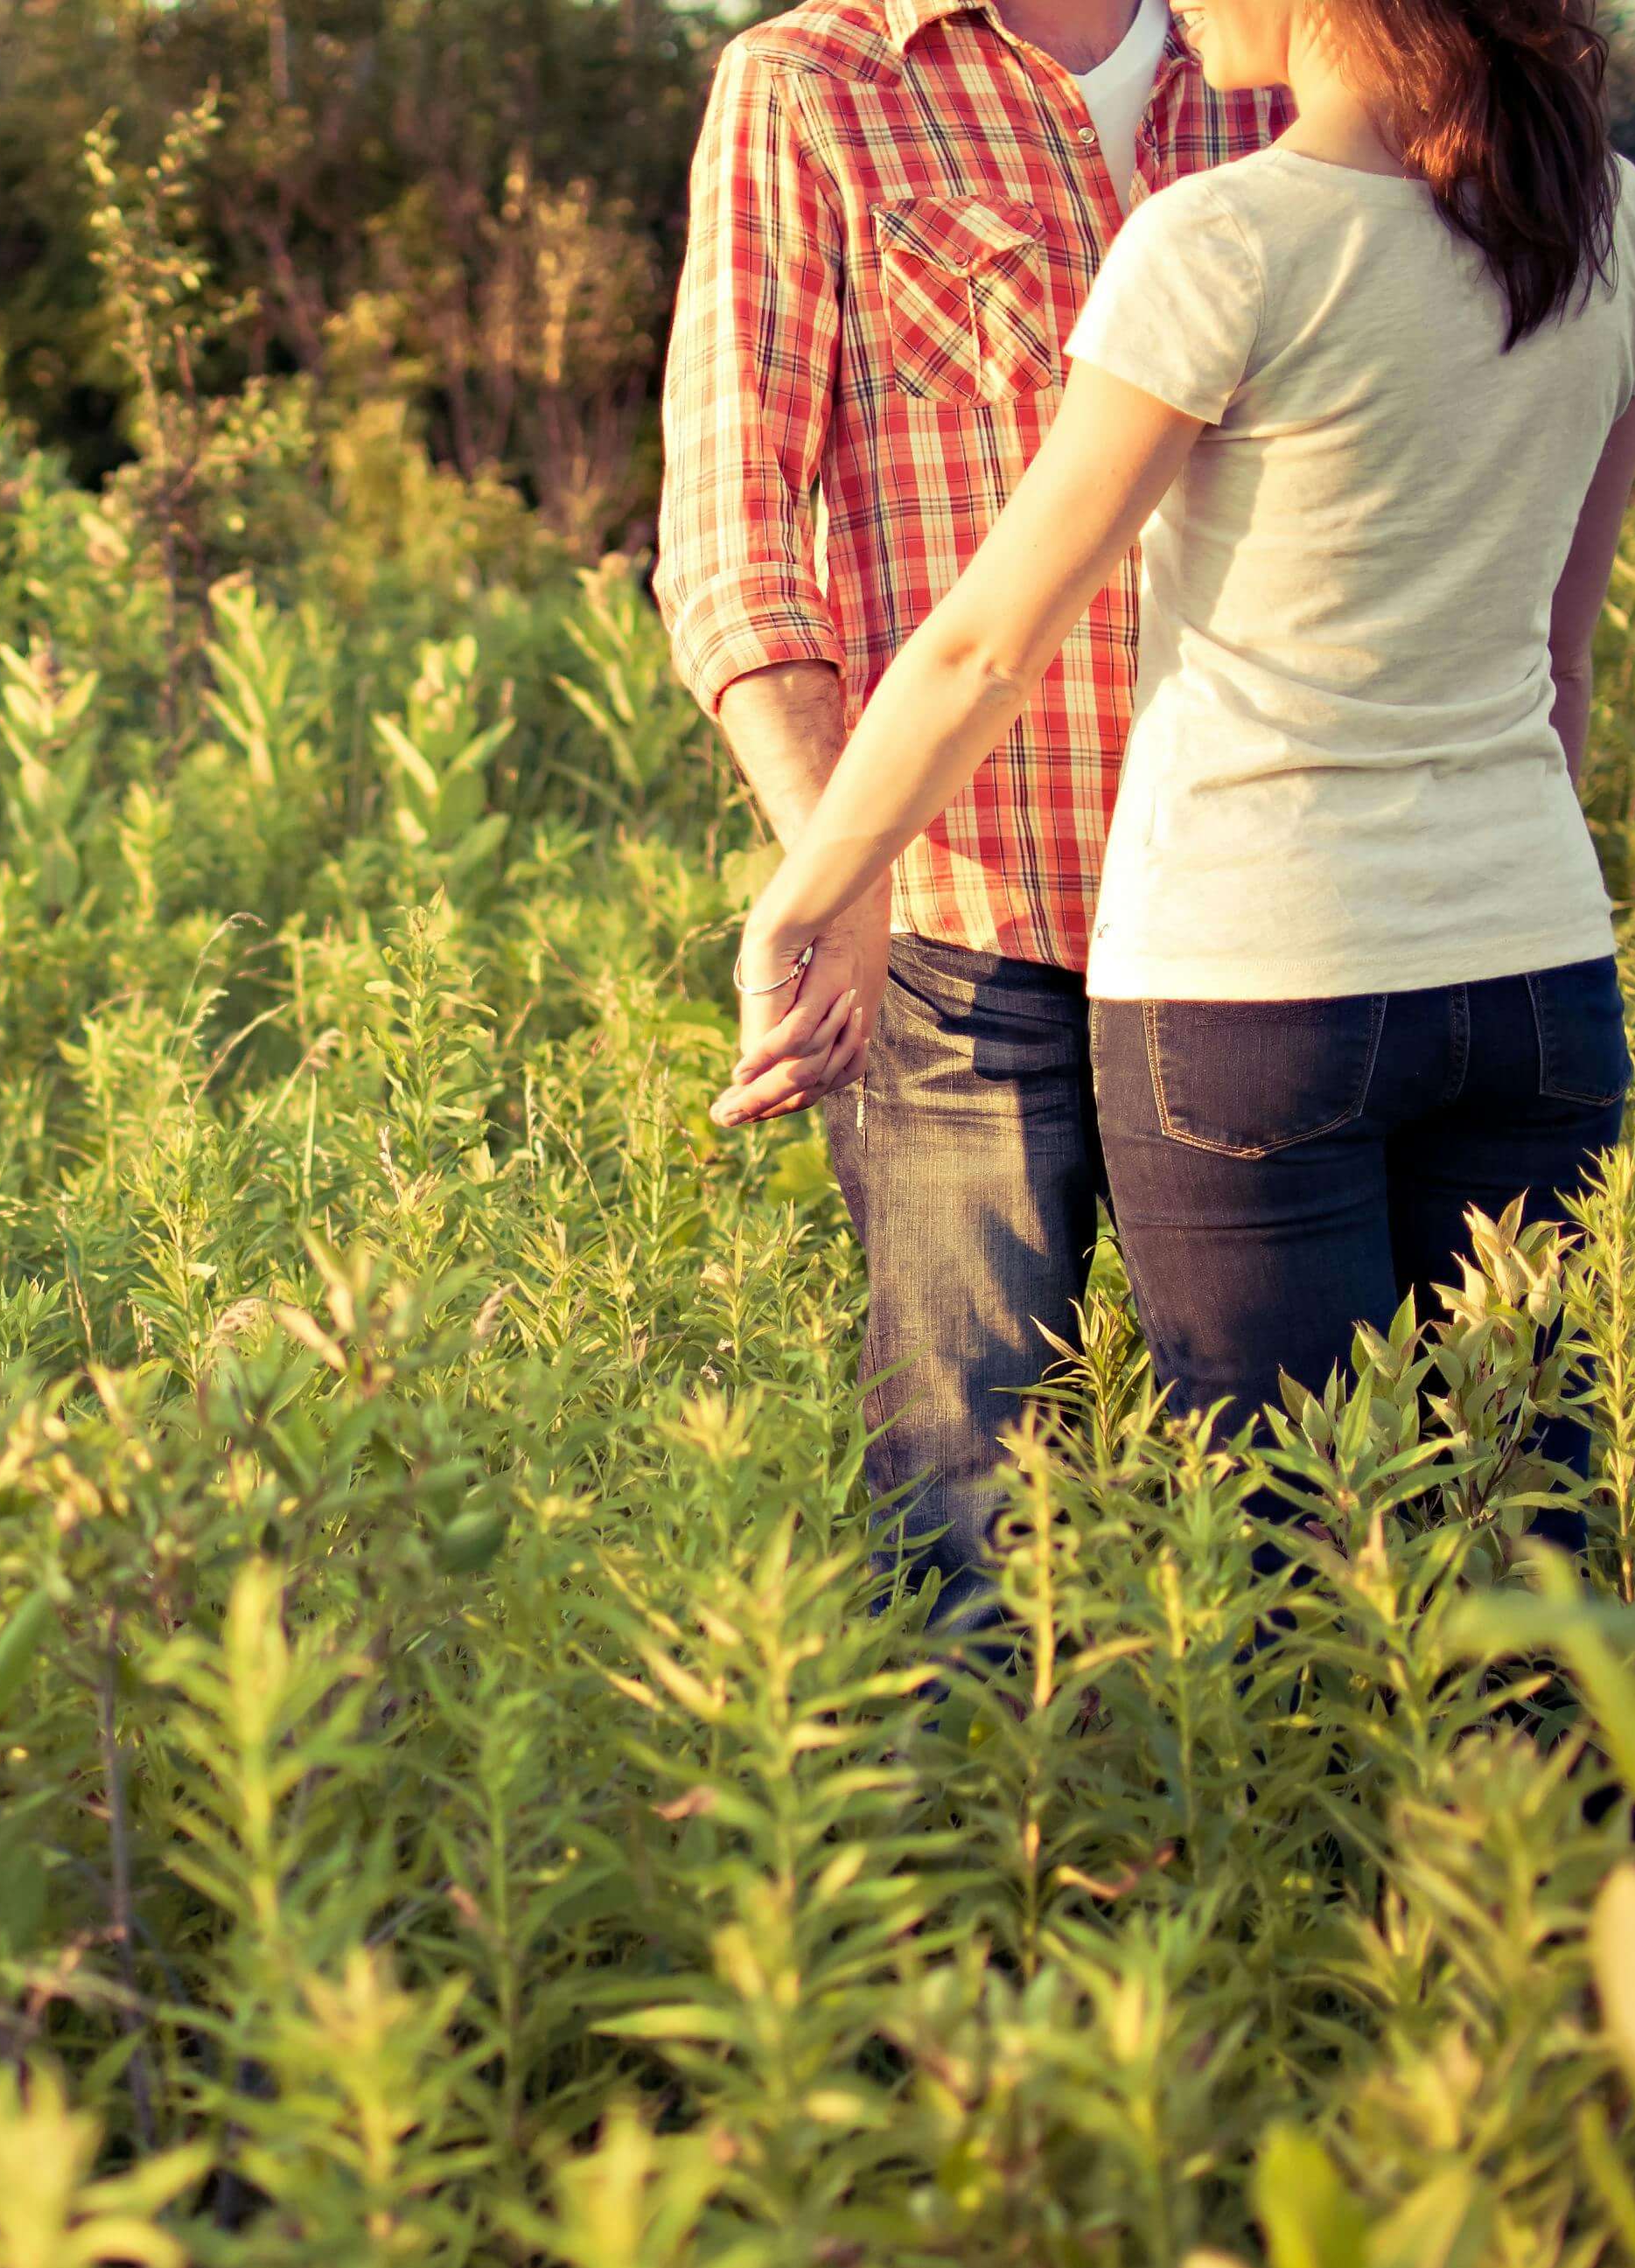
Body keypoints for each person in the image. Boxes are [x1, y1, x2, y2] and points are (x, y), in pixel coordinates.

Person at [714, 0, 1635, 1549]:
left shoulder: (1224, 233)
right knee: (1520, 1533)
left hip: (1250, 975)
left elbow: (980, 651)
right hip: (1529, 968)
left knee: (1293, 1556)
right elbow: (1560, 667)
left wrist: (805, 892)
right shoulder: (1615, 220)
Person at [653, 0, 1287, 1622]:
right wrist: (842, 871)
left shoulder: (1296, 67)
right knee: (965, 1510)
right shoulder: (814, 86)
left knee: (1289, 1493)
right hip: (961, 933)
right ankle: (968, 1867)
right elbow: (730, 540)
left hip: (1266, 926)